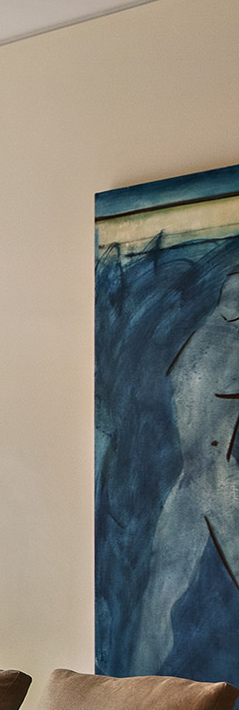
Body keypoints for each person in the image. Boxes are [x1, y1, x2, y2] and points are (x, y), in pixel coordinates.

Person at [136, 267, 239, 667]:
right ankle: (132, 695)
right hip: (202, 481)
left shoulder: (203, 337)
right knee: (159, 597)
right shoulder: (213, 338)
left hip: (204, 479)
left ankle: (133, 691)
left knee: (161, 597)